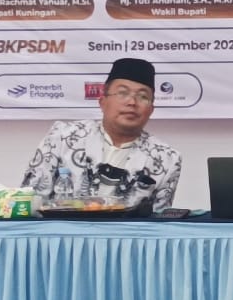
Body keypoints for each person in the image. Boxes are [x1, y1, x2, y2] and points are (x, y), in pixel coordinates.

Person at [21, 57, 182, 213]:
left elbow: (159, 221)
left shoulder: (167, 158)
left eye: (143, 97)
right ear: (102, 102)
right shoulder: (63, 136)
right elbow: (29, 203)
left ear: (151, 110)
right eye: (122, 93)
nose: (132, 102)